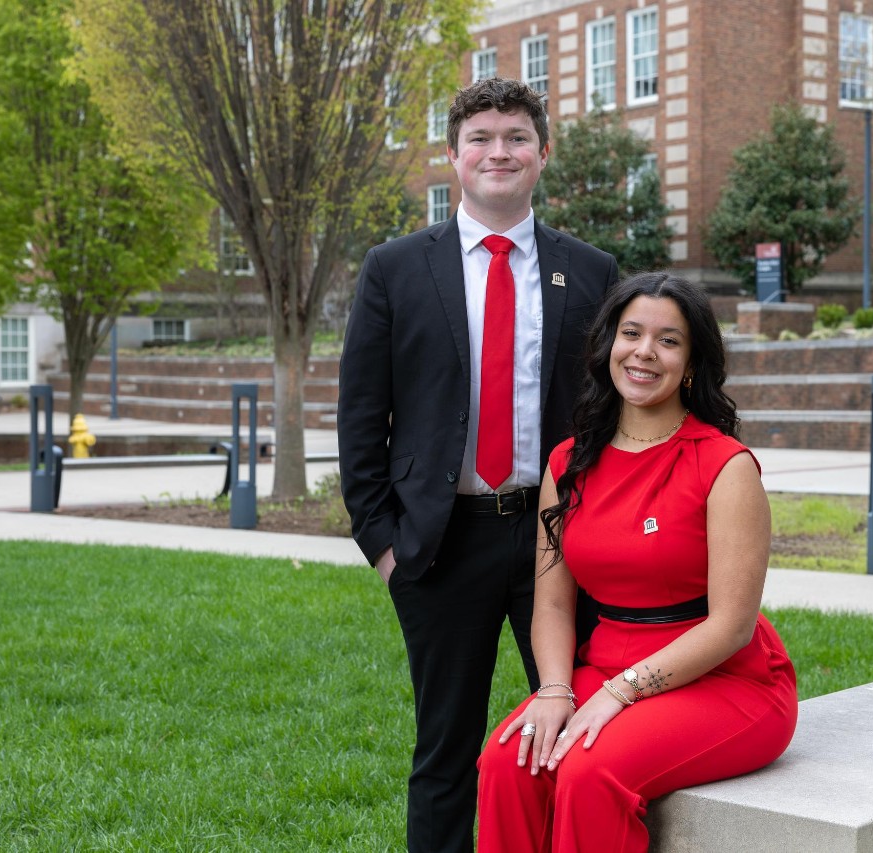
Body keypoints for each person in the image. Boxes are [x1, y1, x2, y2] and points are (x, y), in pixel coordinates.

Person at [337, 77, 619, 853]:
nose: (500, 152)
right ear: (454, 156)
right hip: (438, 542)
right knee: (444, 751)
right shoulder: (395, 269)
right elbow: (363, 414)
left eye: (517, 138)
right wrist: (384, 543)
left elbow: (610, 406)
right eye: (482, 139)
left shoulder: (591, 271)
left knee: (580, 735)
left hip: (557, 540)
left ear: (543, 153)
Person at [476, 272, 798, 852]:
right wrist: (554, 691)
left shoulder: (725, 467)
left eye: (669, 340)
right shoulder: (568, 463)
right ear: (609, 348)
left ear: (692, 361)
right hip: (604, 663)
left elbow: (732, 626)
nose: (645, 352)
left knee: (589, 770)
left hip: (726, 678)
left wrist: (621, 693)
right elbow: (551, 601)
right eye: (631, 333)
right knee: (509, 760)